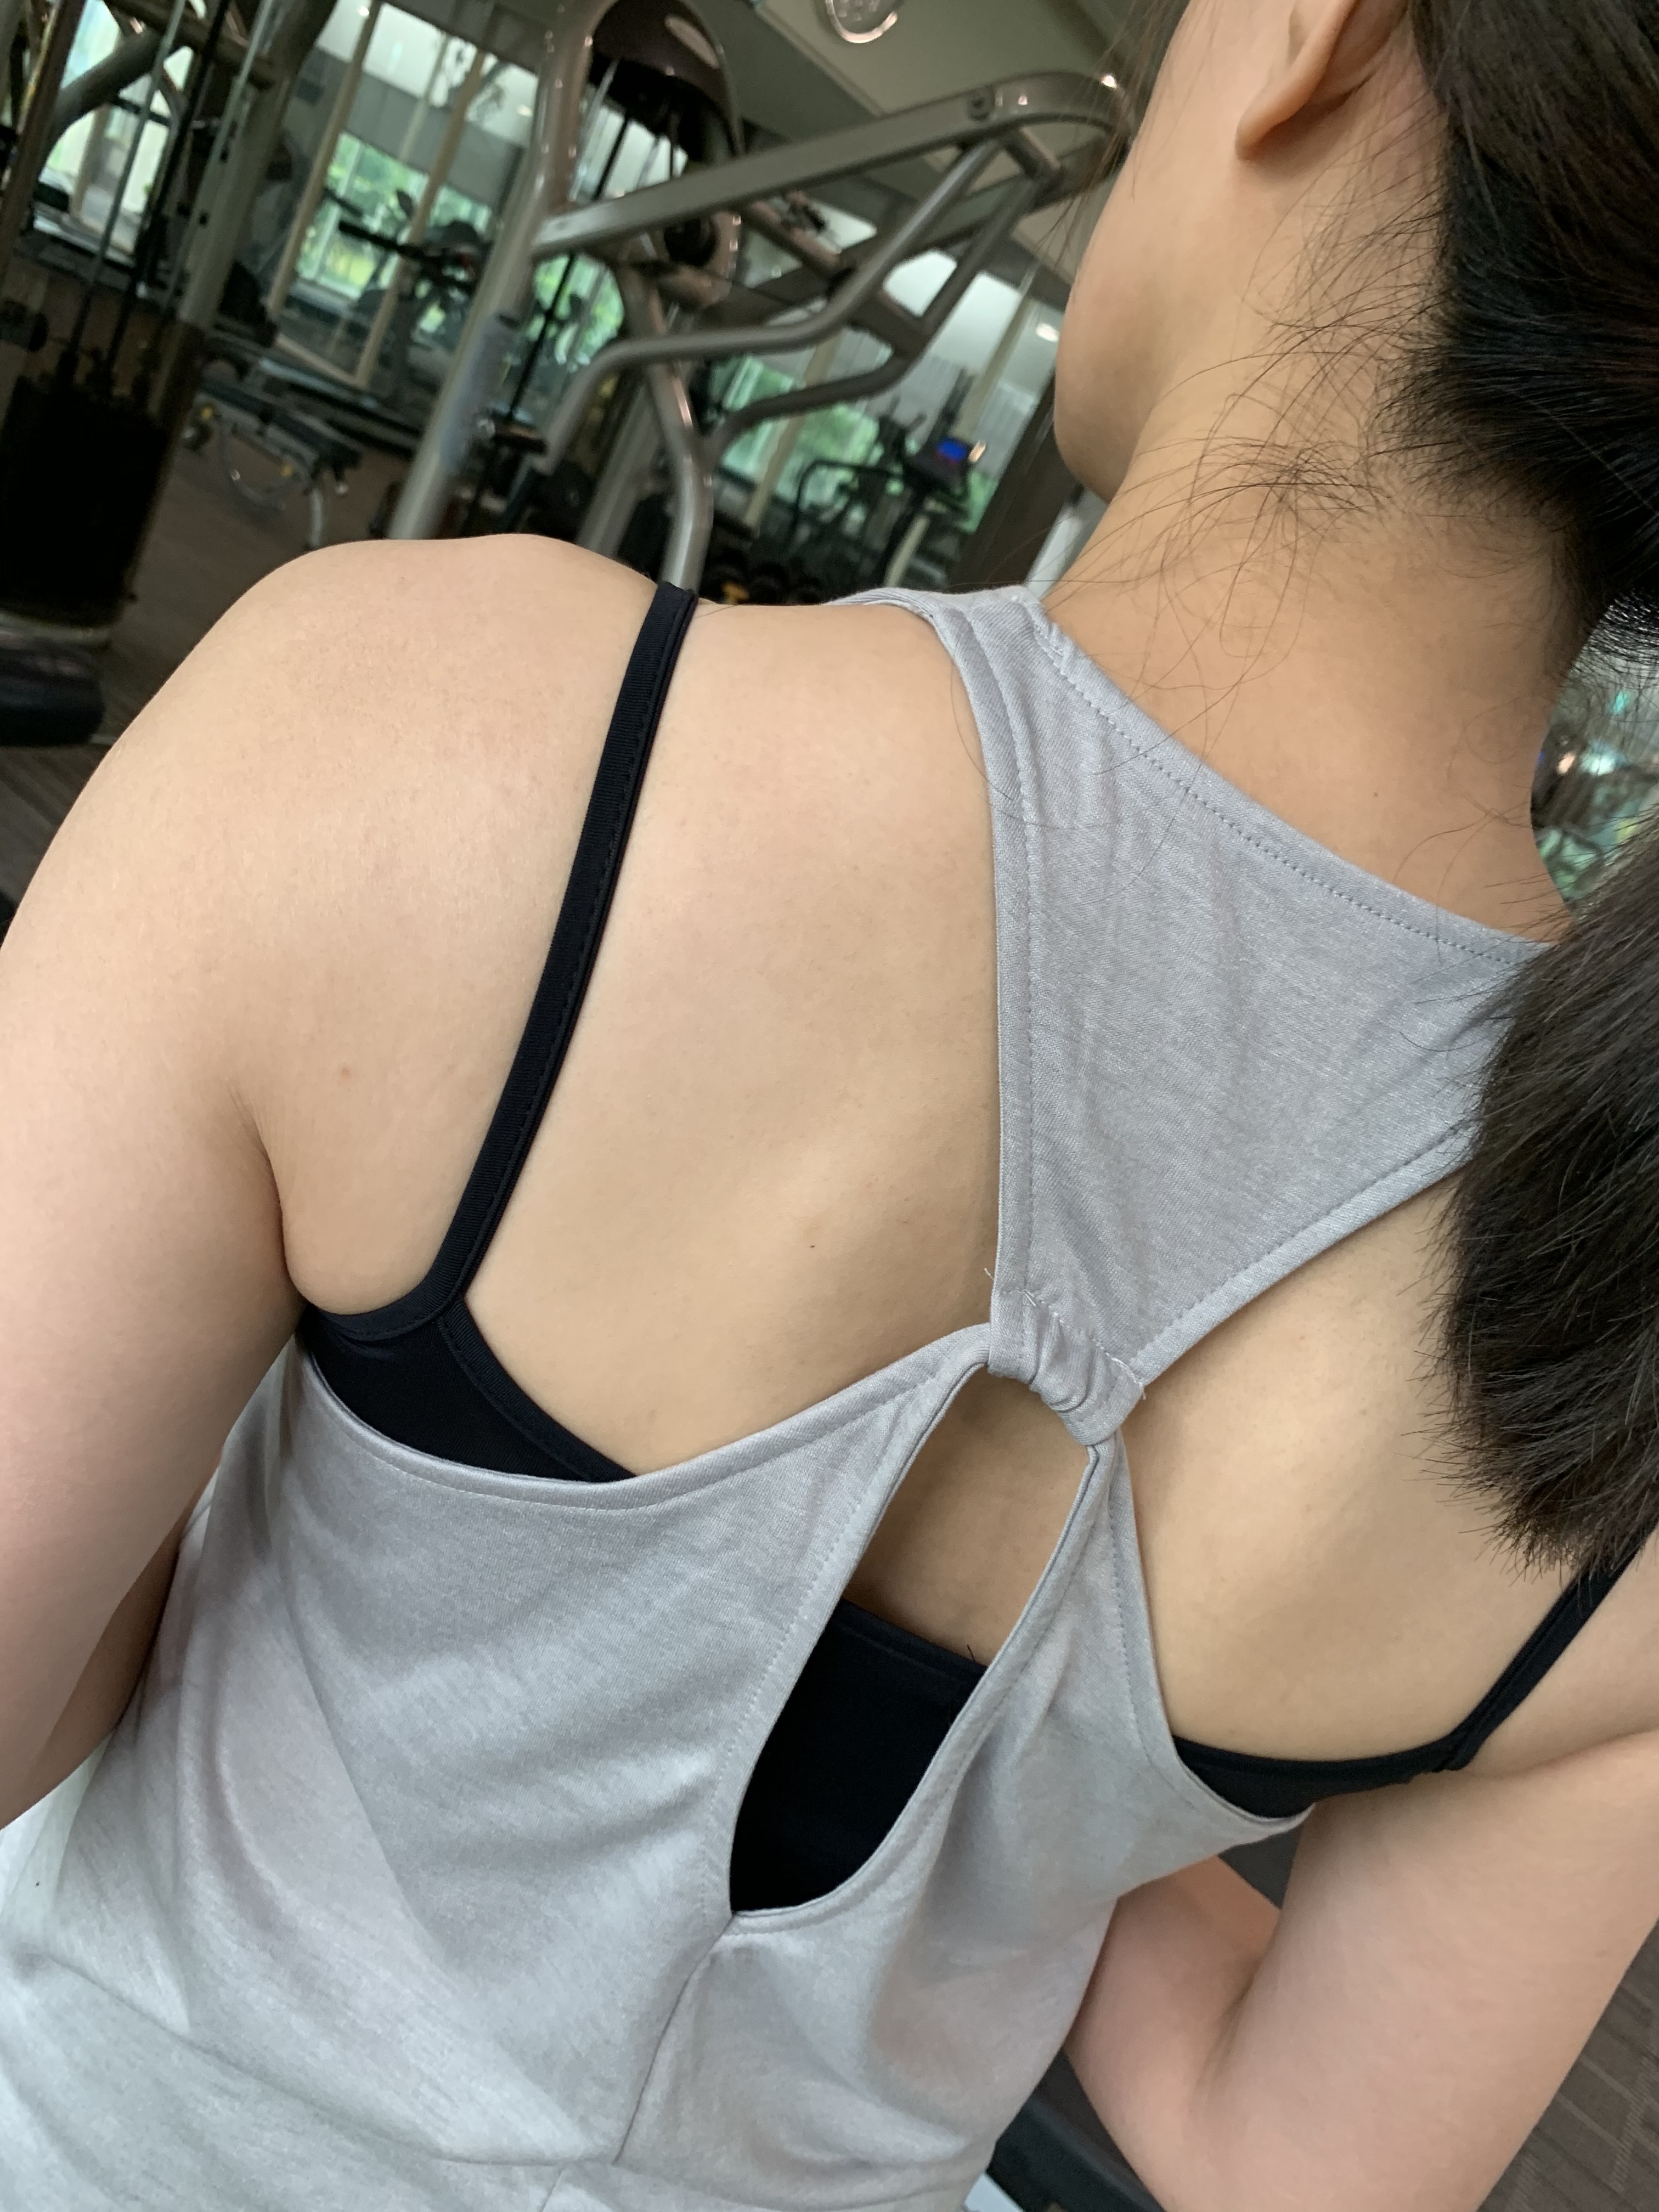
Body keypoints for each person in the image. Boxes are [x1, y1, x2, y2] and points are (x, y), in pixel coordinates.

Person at [2, 0, 1657, 2203]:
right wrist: (1049, 1784)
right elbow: (1288, 2162)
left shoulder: (418, 740)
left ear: (1311, 37)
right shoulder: (1621, 1314)